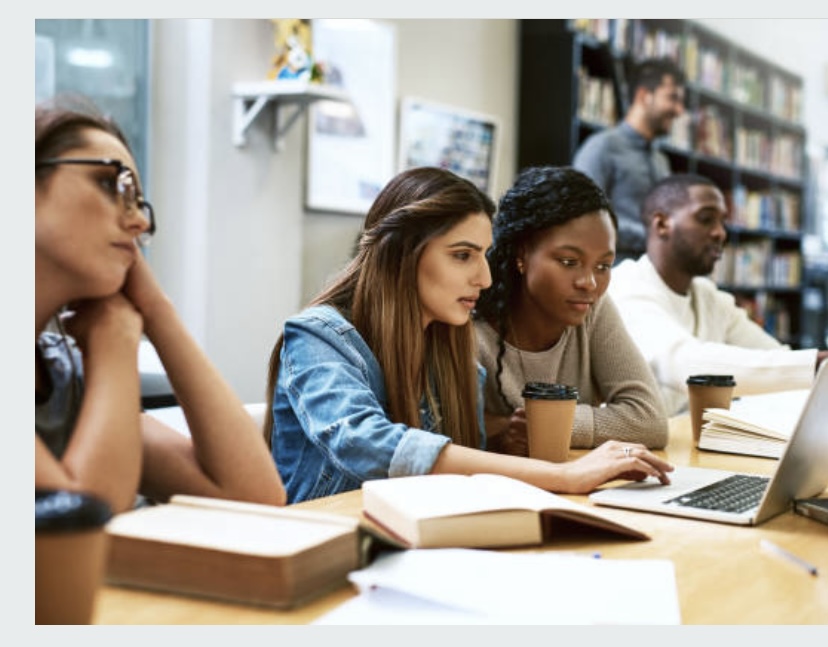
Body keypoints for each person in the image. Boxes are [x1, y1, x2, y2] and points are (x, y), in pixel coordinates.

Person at [264, 166, 673, 504]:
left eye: (483, 254)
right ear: (401, 254)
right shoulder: (317, 337)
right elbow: (369, 445)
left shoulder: (447, 342)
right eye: (463, 256)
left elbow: (463, 471)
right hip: (321, 551)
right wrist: (563, 476)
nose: (484, 277)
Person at [35, 96, 286, 514]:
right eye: (109, 183)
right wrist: (116, 339)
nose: (138, 223)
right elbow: (81, 526)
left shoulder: (63, 375)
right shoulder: (100, 352)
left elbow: (254, 495)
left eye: (137, 201)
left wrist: (156, 310)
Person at [473, 166, 668, 458]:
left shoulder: (592, 309)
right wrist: (495, 433)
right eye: (568, 262)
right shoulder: (469, 324)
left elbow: (650, 421)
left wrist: (549, 425)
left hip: (574, 485)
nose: (589, 283)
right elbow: (447, 432)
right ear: (522, 254)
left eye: (603, 266)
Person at [607, 173, 828, 415]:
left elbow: (773, 358)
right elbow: (686, 365)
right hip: (627, 447)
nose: (720, 233)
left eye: (722, 221)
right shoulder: (626, 287)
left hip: (681, 442)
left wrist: (816, 368)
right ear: (662, 224)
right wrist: (814, 366)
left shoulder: (708, 297)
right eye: (706, 219)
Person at [573, 57, 686, 263]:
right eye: (672, 98)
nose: (679, 111)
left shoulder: (662, 161)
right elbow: (583, 217)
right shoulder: (601, 148)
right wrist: (653, 237)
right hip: (615, 280)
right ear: (644, 96)